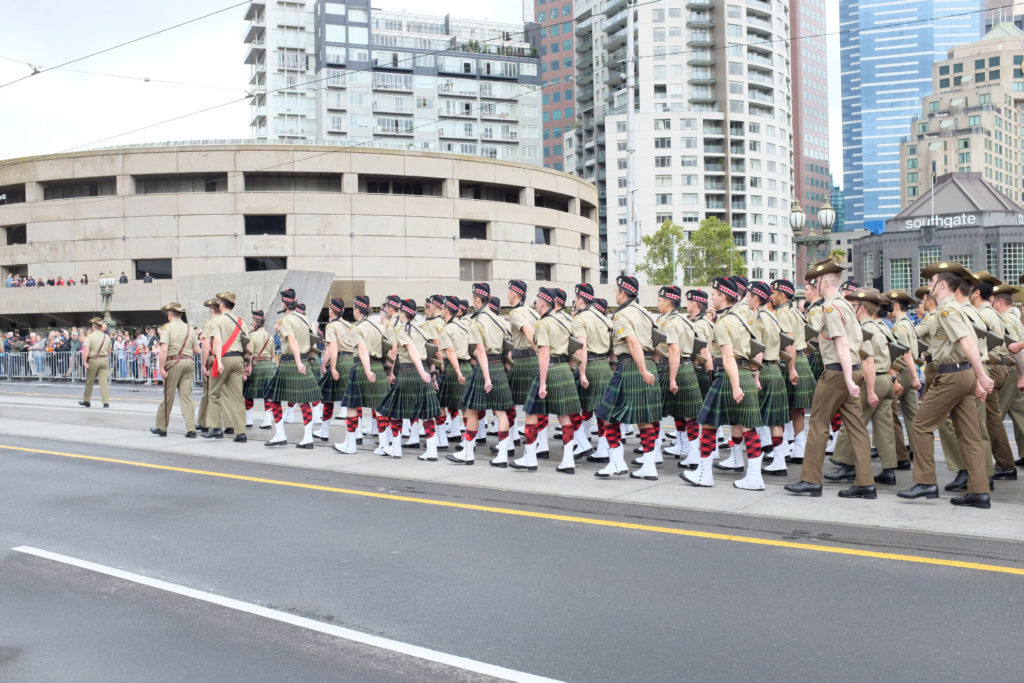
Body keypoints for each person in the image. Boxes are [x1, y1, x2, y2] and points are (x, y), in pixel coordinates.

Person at [899, 261, 994, 509]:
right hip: (961, 375)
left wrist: (982, 376)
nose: (928, 286)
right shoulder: (955, 309)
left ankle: (925, 482)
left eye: (931, 282)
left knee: (920, 426)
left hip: (951, 376)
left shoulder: (946, 311)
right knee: (969, 435)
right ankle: (979, 491)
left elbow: (966, 341)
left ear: (942, 284)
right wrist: (977, 376)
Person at [784, 259, 876, 499]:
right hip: (852, 368)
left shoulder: (832, 308)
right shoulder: (846, 306)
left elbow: (841, 343)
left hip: (837, 372)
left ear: (824, 282)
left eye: (815, 282)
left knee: (818, 425)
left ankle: (811, 480)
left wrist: (847, 379)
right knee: (857, 428)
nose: (815, 285)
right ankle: (865, 482)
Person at [681, 277, 763, 488]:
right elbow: (757, 348)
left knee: (708, 424)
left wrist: (735, 386)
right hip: (745, 372)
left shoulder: (723, 323)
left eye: (714, 295)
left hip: (729, 376)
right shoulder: (744, 317)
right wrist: (754, 376)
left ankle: (704, 473)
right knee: (748, 427)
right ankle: (754, 476)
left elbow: (728, 357)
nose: (711, 298)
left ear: (723, 296)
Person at [825, 288, 898, 484]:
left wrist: (871, 390)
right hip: (885, 379)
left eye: (855, 306)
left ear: (862, 308)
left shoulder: (863, 329)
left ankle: (846, 465)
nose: (853, 309)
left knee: (852, 423)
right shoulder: (881, 327)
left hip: (871, 379)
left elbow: (868, 361)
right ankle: (889, 469)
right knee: (884, 428)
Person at [593, 275, 662, 478]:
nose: (615, 294)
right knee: (645, 419)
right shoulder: (646, 313)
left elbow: (632, 343)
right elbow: (658, 342)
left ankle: (617, 463)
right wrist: (650, 366)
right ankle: (649, 466)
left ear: (623, 292)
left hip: (632, 365)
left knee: (607, 415)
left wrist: (642, 370)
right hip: (647, 362)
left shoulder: (621, 315)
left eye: (616, 291)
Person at [510, 287, 583, 473]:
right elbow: (576, 347)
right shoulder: (565, 320)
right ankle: (568, 460)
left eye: (537, 299)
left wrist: (542, 383)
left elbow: (544, 354)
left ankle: (530, 458)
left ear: (543, 302)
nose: (535, 302)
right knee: (564, 415)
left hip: (549, 370)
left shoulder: (543, 324)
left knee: (531, 412)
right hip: (564, 369)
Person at [448, 282, 514, 465]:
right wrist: (505, 368)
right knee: (501, 412)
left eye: (474, 299)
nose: (473, 303)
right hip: (499, 366)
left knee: (471, 411)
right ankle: (502, 455)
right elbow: (509, 348)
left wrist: (486, 378)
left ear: (478, 299)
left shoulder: (476, 322)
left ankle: (468, 452)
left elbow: (481, 351)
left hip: (484, 368)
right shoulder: (500, 320)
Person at [376, 299, 441, 459]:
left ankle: (396, 449)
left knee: (395, 413)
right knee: (427, 415)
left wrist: (390, 373)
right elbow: (432, 354)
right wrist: (432, 377)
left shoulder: (400, 329)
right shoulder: (421, 330)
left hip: (408, 372)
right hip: (424, 372)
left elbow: (403, 351)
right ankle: (432, 451)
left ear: (402, 312)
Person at [337, 296, 393, 455]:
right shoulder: (379, 326)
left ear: (356, 309)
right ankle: (383, 445)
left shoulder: (356, 327)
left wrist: (367, 371)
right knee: (380, 406)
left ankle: (350, 444)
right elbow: (389, 352)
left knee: (352, 406)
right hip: (379, 367)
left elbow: (362, 350)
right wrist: (388, 371)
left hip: (362, 367)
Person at [570, 283, 614, 461]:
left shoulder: (581, 319)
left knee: (569, 406)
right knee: (601, 412)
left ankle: (582, 442)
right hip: (604, 366)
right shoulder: (604, 318)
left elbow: (582, 348)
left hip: (589, 365)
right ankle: (603, 450)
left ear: (580, 299)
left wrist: (581, 374)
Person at [203, 292, 248, 441]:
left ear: (222, 305)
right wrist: (248, 364)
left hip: (225, 358)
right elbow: (248, 345)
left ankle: (215, 428)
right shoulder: (241, 321)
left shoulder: (218, 320)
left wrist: (219, 361)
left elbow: (217, 340)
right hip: (238, 360)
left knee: (214, 393)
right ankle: (240, 432)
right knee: (237, 396)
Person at [151, 302, 199, 437]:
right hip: (188, 362)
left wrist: (161, 368)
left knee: (168, 396)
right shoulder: (190, 328)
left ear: (170, 315)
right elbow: (197, 350)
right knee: (187, 397)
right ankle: (191, 429)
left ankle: (162, 427)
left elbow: (164, 349)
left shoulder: (167, 328)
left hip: (174, 363)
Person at [885, 289, 921, 467]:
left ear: (896, 306)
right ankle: (918, 451)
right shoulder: (909, 324)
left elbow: (902, 353)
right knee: (912, 415)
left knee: (890, 415)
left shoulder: (899, 327)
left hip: (900, 371)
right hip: (911, 370)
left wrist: (894, 378)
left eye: (889, 307)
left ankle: (900, 457)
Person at [505, 279, 540, 454]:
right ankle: (538, 444)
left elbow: (529, 333)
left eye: (509, 291)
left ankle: (511, 443)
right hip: (532, 361)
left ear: (515, 294)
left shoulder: (516, 313)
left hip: (523, 362)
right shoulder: (532, 312)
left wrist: (538, 351)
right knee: (534, 406)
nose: (508, 294)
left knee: (509, 404)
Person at [435, 295, 472, 456]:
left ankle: (442, 437)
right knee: (466, 408)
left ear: (446, 309)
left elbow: (450, 351)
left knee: (440, 402)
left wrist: (456, 371)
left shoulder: (446, 329)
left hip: (453, 369)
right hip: (467, 367)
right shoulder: (465, 327)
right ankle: (467, 440)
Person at [317, 298, 354, 444]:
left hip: (339, 361)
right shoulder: (349, 325)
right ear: (343, 310)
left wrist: (328, 366)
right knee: (352, 400)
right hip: (352, 361)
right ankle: (356, 435)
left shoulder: (331, 326)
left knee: (327, 397)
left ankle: (324, 431)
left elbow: (331, 348)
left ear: (331, 310)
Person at [243, 310, 275, 430]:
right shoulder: (270, 337)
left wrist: (246, 368)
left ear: (255, 322)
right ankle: (267, 420)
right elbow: (272, 355)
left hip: (255, 366)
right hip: (268, 366)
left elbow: (249, 355)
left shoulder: (251, 336)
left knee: (249, 394)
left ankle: (249, 419)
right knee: (268, 395)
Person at [195, 299, 220, 433]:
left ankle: (205, 422)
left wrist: (203, 365)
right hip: (229, 359)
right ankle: (230, 424)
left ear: (211, 310)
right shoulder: (230, 322)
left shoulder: (209, 324)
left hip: (213, 360)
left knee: (209, 392)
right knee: (228, 394)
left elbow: (205, 346)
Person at [79, 317, 111, 408]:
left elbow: (86, 349)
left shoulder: (90, 336)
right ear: (100, 327)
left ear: (93, 326)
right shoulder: (106, 336)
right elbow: (109, 350)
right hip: (104, 360)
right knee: (103, 382)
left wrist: (84, 361)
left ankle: (87, 400)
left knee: (90, 381)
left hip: (93, 360)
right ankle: (106, 402)